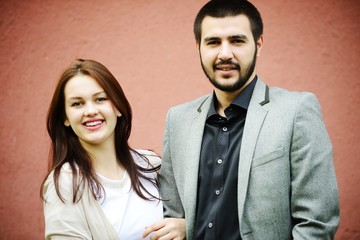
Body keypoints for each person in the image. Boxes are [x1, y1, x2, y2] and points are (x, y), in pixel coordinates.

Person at [145, 0, 340, 239]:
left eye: (237, 41)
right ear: (198, 47)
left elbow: (317, 223)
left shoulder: (297, 110)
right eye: (213, 42)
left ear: (258, 45)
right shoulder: (178, 120)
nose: (225, 54)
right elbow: (172, 213)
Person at [40, 59, 175, 239]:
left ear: (117, 107)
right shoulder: (65, 184)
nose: (90, 110)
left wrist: (184, 227)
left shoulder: (151, 165)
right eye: (77, 104)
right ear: (65, 117)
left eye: (100, 99)